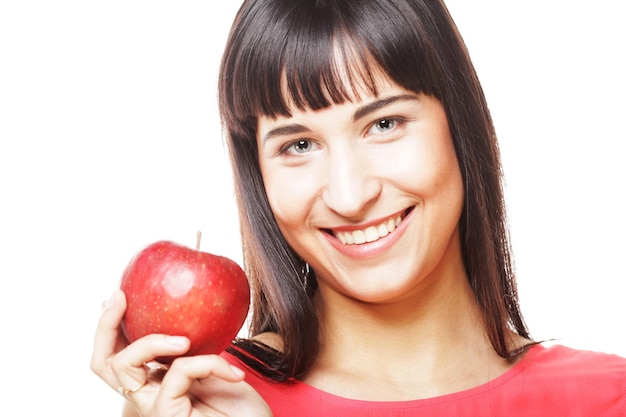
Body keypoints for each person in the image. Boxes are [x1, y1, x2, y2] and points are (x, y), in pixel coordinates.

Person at [91, 0, 626, 415]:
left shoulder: (609, 398)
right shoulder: (202, 401)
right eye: (298, 145)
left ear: (458, 125)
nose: (349, 196)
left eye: (384, 124)